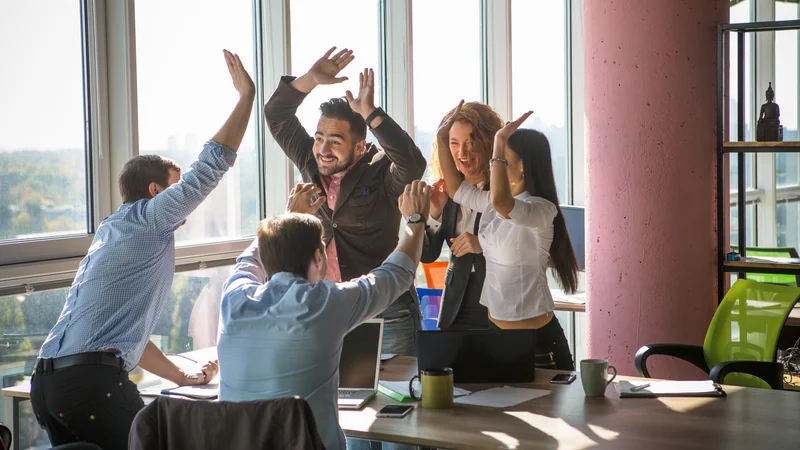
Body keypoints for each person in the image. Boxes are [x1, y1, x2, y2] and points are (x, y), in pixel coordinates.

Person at [30, 50, 255, 449]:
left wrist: (182, 378)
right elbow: (210, 168)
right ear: (155, 192)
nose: (182, 196)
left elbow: (121, 341)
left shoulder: (110, 232)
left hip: (49, 385)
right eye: (174, 184)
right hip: (91, 386)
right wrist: (245, 98)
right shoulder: (150, 218)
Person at [217, 180, 431, 450]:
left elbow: (247, 261)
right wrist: (415, 220)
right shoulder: (322, 304)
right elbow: (394, 275)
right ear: (318, 258)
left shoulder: (234, 299)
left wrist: (288, 220)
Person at [264, 47, 427, 356]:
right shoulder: (312, 163)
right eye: (319, 138)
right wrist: (310, 79)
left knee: (401, 395)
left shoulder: (379, 170)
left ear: (359, 146)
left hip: (387, 308)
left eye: (335, 142)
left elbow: (412, 164)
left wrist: (371, 113)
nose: (323, 149)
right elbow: (277, 115)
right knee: (341, 396)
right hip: (329, 306)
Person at [436, 101, 579, 370]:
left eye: (501, 161)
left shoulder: (540, 210)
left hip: (538, 344)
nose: (494, 167)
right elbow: (456, 190)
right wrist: (442, 139)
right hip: (496, 336)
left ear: (523, 167)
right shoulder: (493, 203)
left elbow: (504, 204)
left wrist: (500, 139)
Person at [422, 102, 504, 329]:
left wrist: (482, 244)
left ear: (489, 143)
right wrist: (434, 213)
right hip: (456, 305)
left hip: (499, 301)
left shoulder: (504, 190)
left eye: (470, 143)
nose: (461, 153)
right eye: (454, 144)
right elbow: (427, 255)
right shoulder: (444, 190)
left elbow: (522, 244)